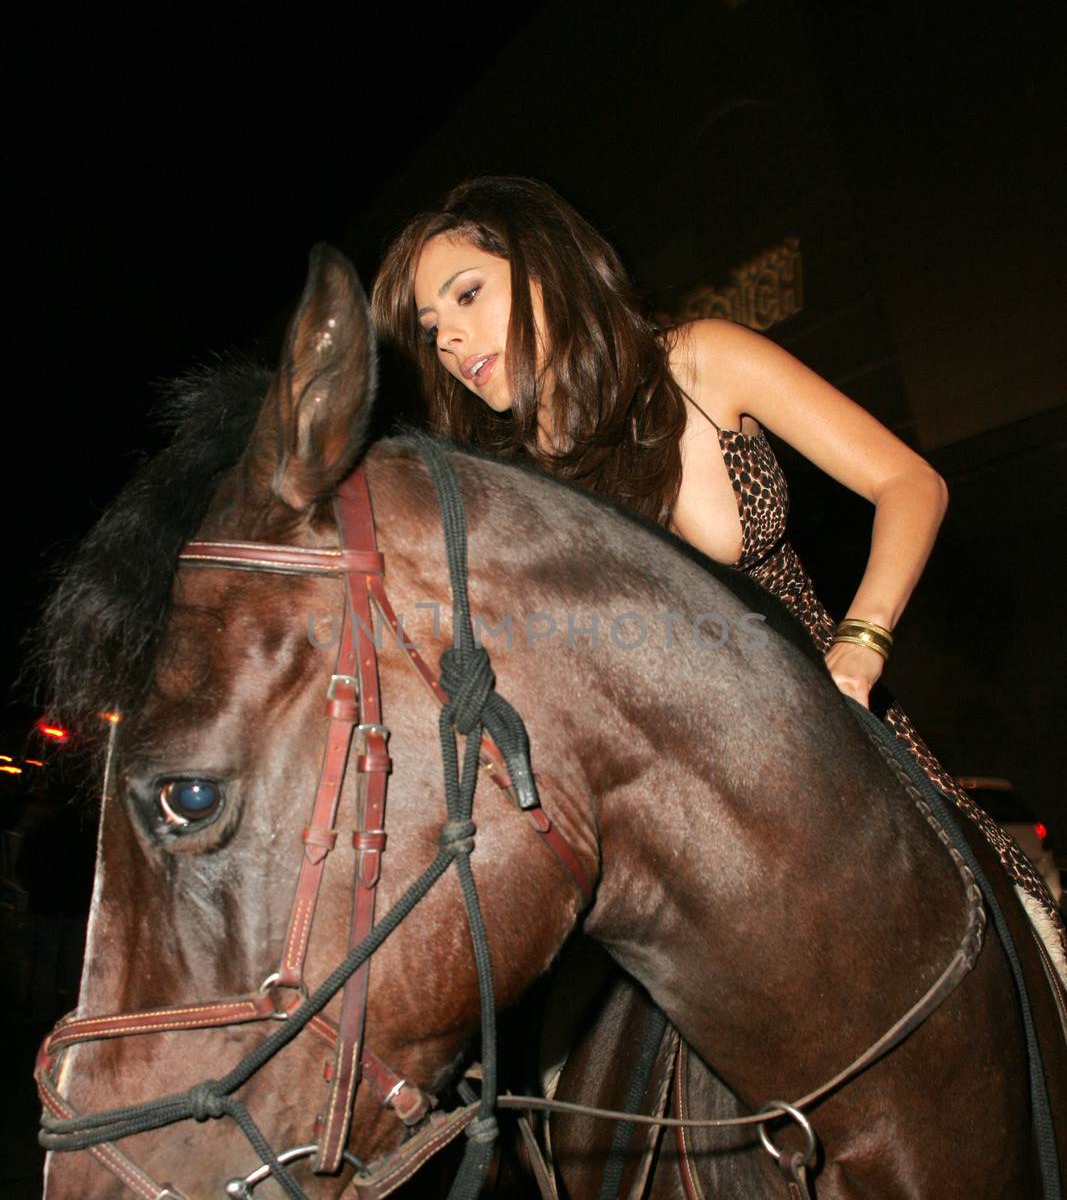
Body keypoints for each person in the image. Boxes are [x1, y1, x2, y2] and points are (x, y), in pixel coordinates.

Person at [373, 176, 1062, 938]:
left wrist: (859, 645)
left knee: (1022, 946)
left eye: (466, 296)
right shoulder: (506, 489)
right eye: (433, 326)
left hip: (840, 755)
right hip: (679, 840)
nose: (449, 340)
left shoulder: (698, 363)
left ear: (547, 266)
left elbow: (910, 484)